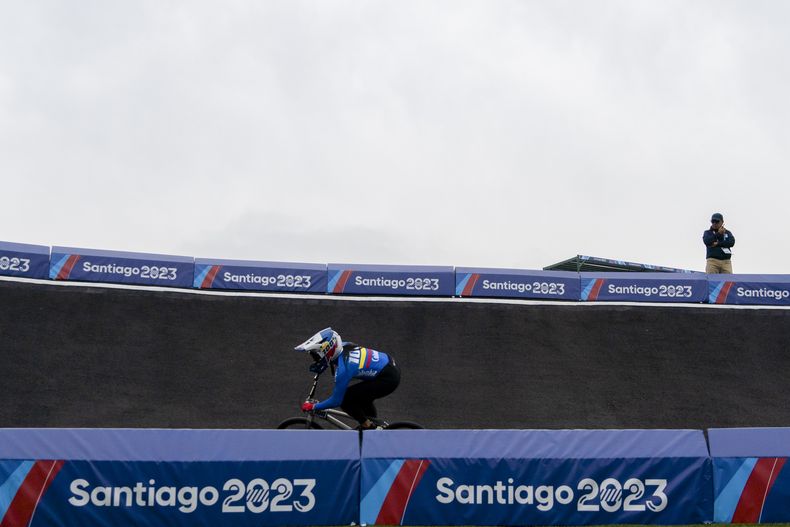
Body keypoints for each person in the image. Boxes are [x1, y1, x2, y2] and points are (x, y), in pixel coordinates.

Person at [294, 327, 400, 430]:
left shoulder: (344, 369)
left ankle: (367, 425)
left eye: (316, 356)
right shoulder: (343, 346)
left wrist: (314, 407)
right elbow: (332, 358)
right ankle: (374, 425)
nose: (315, 359)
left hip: (388, 379)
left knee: (346, 400)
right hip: (388, 364)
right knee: (361, 397)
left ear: (326, 350)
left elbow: (336, 401)